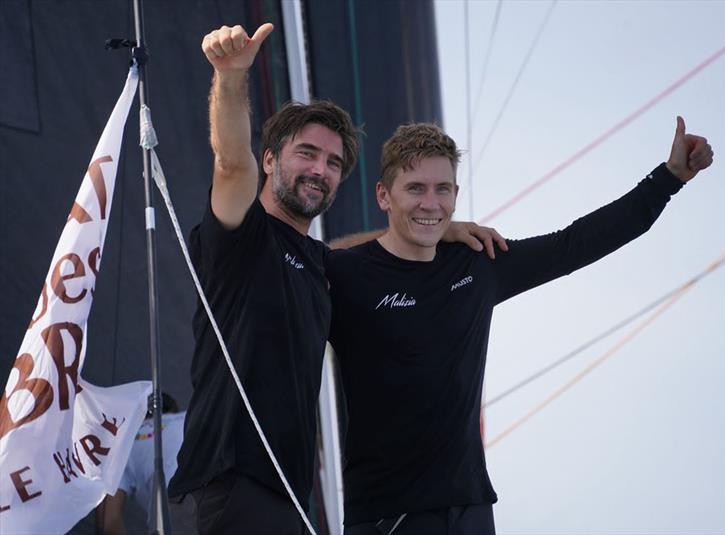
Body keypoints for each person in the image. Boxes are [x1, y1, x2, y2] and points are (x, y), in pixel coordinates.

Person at [168, 23, 503, 535]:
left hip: (289, 496)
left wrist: (432, 231)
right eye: (307, 153)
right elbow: (231, 164)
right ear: (271, 158)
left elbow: (356, 254)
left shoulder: (318, 262)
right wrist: (231, 77)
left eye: (333, 163)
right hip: (225, 482)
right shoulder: (241, 237)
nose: (320, 169)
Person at [326, 120, 713, 534]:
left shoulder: (478, 263)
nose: (430, 203)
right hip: (386, 516)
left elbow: (576, 244)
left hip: (470, 508)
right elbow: (293, 257)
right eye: (415, 189)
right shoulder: (347, 273)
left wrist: (669, 179)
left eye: (442, 190)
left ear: (456, 195)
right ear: (384, 195)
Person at [96, 393, 194, 535]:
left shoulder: (122, 443)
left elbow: (108, 523)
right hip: (222, 491)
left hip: (175, 506)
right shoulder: (188, 416)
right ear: (173, 410)